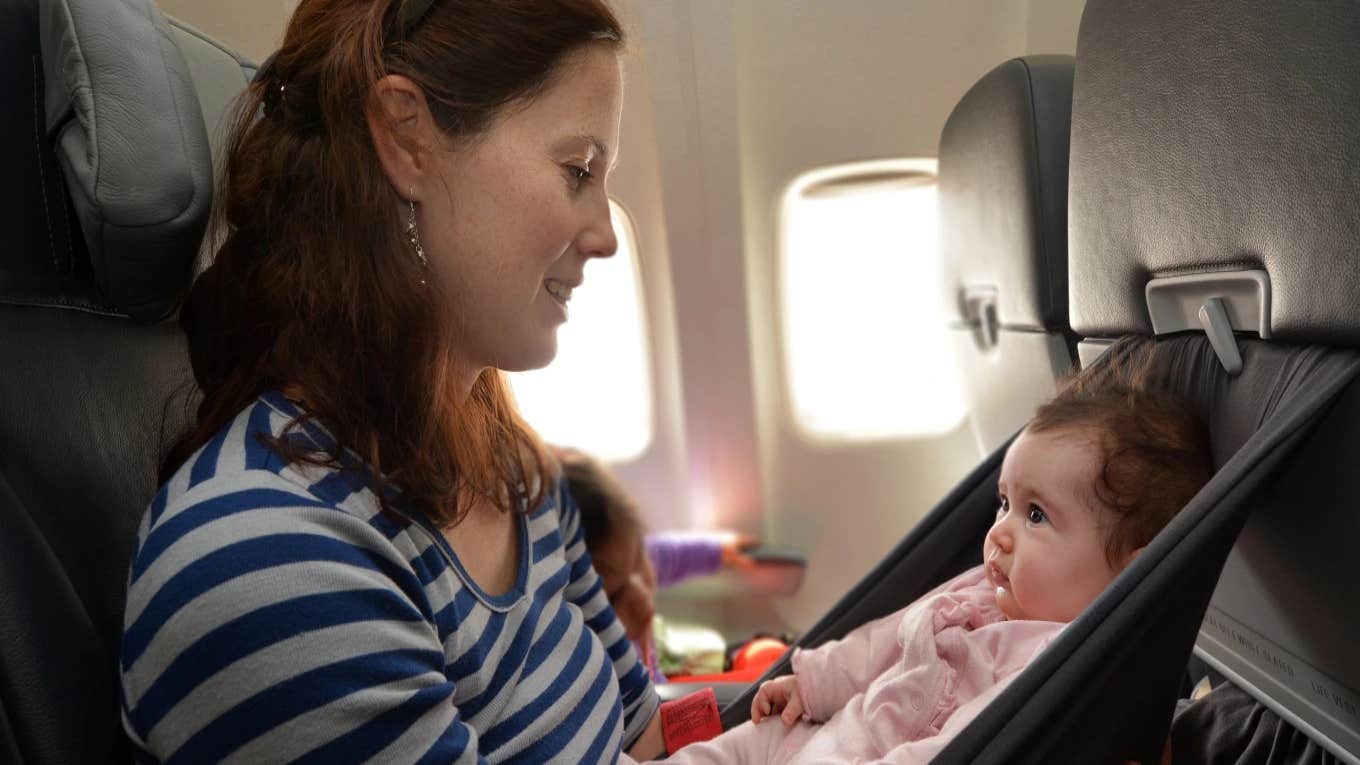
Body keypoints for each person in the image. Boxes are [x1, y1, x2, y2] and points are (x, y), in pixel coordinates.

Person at [117, 0, 666, 761]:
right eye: (578, 170)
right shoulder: (271, 563)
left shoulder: (517, 473)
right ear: (407, 137)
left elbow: (647, 740)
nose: (605, 232)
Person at [631, 357, 1214, 764]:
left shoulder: (1054, 668)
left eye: (1036, 516)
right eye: (1005, 503)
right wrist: (814, 682)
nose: (1001, 533)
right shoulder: (982, 591)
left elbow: (959, 748)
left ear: (1131, 578)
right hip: (828, 731)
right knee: (738, 745)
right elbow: (881, 641)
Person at [556, 446, 759, 681]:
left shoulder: (623, 559)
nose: (639, 590)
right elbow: (651, 706)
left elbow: (664, 554)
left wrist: (715, 551)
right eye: (613, 598)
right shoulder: (600, 670)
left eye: (638, 556)